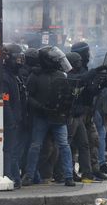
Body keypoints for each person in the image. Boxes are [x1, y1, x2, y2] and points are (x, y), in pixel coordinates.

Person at [21, 46, 76, 187]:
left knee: (61, 146)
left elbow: (67, 97)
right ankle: (30, 175)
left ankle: (68, 176)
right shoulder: (36, 75)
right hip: (43, 117)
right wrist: (41, 107)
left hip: (57, 117)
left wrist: (65, 111)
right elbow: (29, 97)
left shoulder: (59, 75)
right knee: (37, 146)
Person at [70, 42, 107, 178]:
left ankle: (92, 169)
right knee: (73, 144)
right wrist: (97, 73)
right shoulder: (75, 71)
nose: (89, 55)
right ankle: (70, 170)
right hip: (78, 112)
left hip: (89, 111)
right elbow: (82, 84)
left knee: (92, 141)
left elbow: (91, 91)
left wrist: (102, 83)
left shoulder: (85, 69)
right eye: (87, 52)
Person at [2, 43, 25, 188]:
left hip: (16, 119)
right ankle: (10, 176)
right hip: (10, 121)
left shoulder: (14, 76)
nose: (20, 62)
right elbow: (5, 102)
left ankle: (15, 177)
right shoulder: (5, 77)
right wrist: (11, 120)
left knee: (14, 150)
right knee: (9, 150)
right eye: (17, 59)